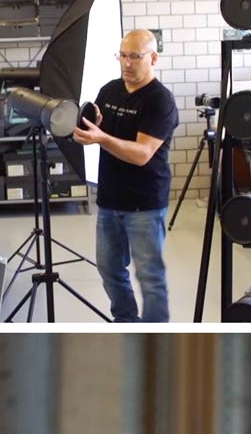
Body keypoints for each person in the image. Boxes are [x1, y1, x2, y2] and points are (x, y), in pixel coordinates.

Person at [72, 29, 178, 323]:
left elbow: (142, 154)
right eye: (122, 55)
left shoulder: (160, 100)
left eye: (135, 56)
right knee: (109, 269)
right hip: (109, 199)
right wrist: (83, 132)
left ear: (153, 58)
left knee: (150, 277)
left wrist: (101, 138)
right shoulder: (109, 91)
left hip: (144, 204)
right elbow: (94, 130)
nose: (127, 63)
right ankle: (127, 322)